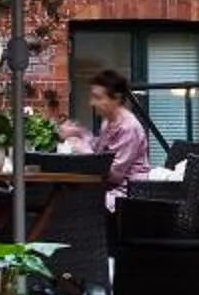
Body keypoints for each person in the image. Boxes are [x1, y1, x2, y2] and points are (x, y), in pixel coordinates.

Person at [58, 68, 150, 209]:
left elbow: (115, 175)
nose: (92, 103)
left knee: (70, 202)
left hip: (127, 193)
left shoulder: (128, 128)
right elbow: (99, 149)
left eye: (98, 98)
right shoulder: (109, 121)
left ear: (117, 98)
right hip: (106, 187)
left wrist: (85, 152)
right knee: (63, 195)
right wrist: (78, 133)